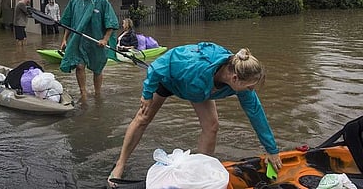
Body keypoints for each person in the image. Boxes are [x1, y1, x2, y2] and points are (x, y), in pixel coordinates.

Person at [107, 42, 282, 187]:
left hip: (199, 90)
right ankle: (120, 164)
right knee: (143, 118)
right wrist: (146, 94)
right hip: (170, 80)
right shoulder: (194, 65)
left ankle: (201, 172)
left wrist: (271, 150)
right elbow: (157, 67)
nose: (251, 91)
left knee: (211, 126)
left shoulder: (239, 78)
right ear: (235, 79)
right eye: (249, 87)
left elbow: (255, 112)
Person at [59, 0, 119, 101]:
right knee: (79, 66)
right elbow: (68, 23)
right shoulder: (74, 1)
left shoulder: (101, 1)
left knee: (97, 69)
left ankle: (97, 93)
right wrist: (65, 39)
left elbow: (111, 23)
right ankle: (83, 94)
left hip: (96, 42)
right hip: (78, 41)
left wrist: (105, 39)